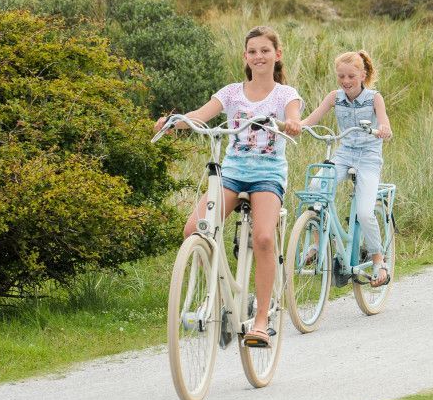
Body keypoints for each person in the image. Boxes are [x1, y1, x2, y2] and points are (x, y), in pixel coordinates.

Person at [153, 26, 302, 347]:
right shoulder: (232, 92)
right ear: (245, 57)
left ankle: (261, 320)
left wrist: (293, 123)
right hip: (232, 172)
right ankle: (219, 298)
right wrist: (173, 121)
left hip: (267, 174)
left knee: (263, 237)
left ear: (277, 55)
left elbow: (294, 116)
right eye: (252, 51)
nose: (258, 57)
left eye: (265, 51)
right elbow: (201, 115)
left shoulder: (285, 95)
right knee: (195, 228)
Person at [301, 50, 393, 287]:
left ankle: (378, 260)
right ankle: (314, 244)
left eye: (351, 76)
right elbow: (312, 119)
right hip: (344, 154)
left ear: (363, 75)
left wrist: (383, 129)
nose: (346, 81)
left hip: (369, 158)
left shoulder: (375, 98)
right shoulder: (334, 97)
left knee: (364, 212)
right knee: (316, 187)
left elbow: (385, 124)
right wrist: (295, 126)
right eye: (341, 76)